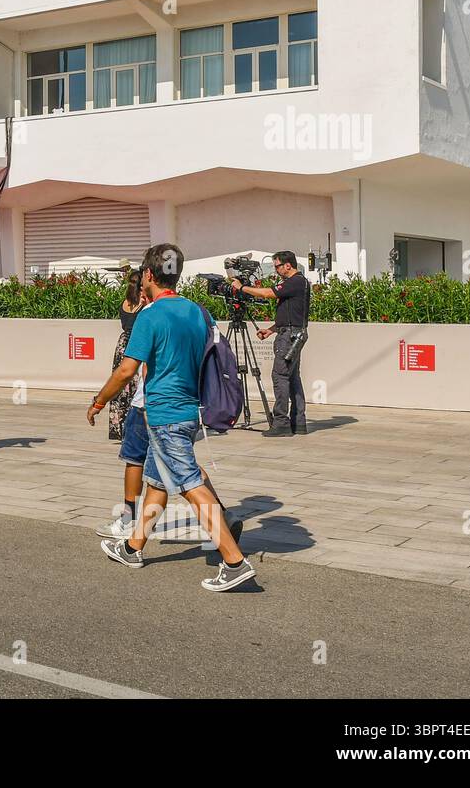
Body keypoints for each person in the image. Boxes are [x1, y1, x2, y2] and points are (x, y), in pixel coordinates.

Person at [88, 243, 255, 593]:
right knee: (157, 484)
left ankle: (234, 561)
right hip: (189, 410)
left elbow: (126, 370)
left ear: (148, 275)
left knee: (192, 487)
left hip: (163, 413)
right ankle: (133, 548)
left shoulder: (150, 315)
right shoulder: (197, 312)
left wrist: (100, 401)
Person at [232, 250, 310, 437]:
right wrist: (272, 330)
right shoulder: (298, 284)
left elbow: (268, 293)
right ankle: (298, 422)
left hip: (290, 336)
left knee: (280, 376)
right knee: (292, 378)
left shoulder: (296, 282)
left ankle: (281, 423)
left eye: (277, 266)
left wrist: (242, 288)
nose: (275, 271)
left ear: (288, 265)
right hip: (293, 333)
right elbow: (292, 315)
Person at [108, 270, 147, 442]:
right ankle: (133, 428)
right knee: (135, 386)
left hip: (122, 343)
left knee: (121, 386)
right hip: (136, 343)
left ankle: (119, 427)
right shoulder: (143, 305)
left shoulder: (125, 302)